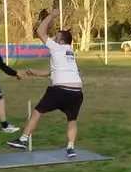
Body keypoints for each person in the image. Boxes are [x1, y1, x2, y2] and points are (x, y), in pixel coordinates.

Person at [7, 9, 83, 158]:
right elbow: (50, 71)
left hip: (60, 90)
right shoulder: (70, 53)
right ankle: (70, 148)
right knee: (72, 120)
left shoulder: (57, 47)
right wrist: (34, 72)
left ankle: (23, 139)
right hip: (77, 93)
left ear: (61, 41)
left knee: (37, 112)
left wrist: (52, 15)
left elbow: (40, 31)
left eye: (56, 37)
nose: (53, 38)